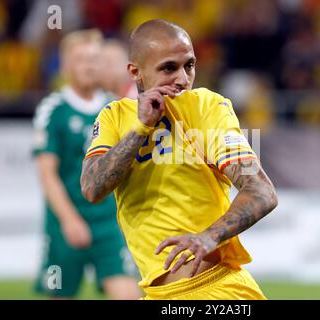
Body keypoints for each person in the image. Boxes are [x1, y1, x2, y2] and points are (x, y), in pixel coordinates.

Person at [80, 19, 278, 300]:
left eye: (190, 65)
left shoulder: (209, 108)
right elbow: (92, 188)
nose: (183, 79)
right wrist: (141, 128)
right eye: (169, 68)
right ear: (135, 72)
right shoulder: (114, 117)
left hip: (216, 290)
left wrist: (207, 237)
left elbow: (262, 191)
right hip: (159, 295)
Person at [32, 29, 141, 299]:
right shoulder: (53, 110)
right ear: (66, 65)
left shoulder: (115, 108)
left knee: (129, 294)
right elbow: (47, 175)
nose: (89, 66)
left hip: (109, 223)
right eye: (81, 59)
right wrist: (70, 220)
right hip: (65, 223)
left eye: (94, 59)